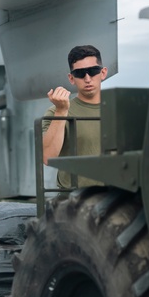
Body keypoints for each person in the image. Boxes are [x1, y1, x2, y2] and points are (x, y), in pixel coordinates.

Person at [41, 44, 105, 190]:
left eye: (93, 71)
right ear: (71, 78)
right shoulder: (55, 112)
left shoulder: (120, 108)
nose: (87, 78)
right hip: (75, 202)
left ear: (103, 73)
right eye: (80, 73)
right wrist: (62, 111)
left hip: (119, 198)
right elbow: (47, 157)